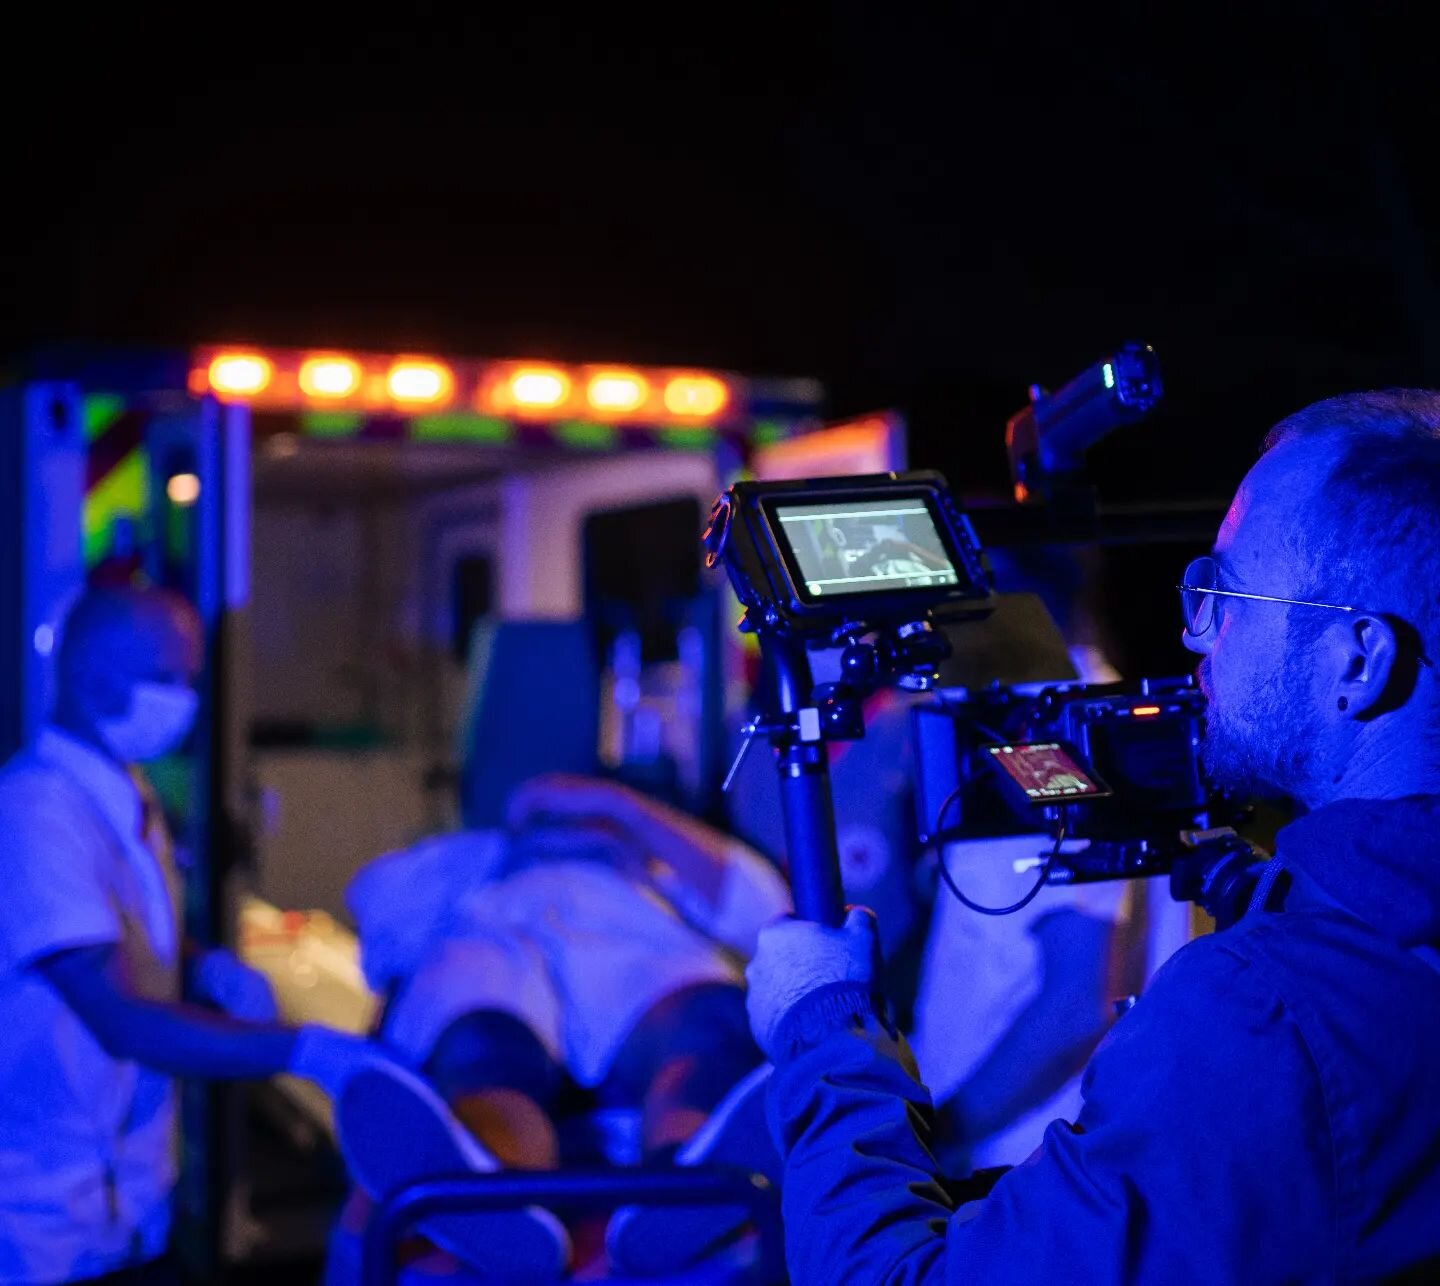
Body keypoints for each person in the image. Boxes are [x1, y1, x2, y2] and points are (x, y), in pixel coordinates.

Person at [742, 390, 1440, 1281]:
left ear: (1356, 661)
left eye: (1224, 595)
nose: (1197, 638)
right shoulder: (1367, 950)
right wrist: (1238, 878)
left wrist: (821, 1027)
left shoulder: (1254, 1016)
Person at [0, 587, 403, 1285]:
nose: (186, 700)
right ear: (93, 682)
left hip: (125, 1206)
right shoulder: (37, 812)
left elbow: (113, 934)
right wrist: (302, 1051)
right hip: (46, 1222)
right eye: (166, 680)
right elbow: (116, 1019)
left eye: (190, 678)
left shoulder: (125, 793)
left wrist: (203, 965)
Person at [333, 772, 790, 1279]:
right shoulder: (471, 864)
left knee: (706, 1028)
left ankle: (684, 1183)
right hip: (504, 952)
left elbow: (765, 906)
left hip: (638, 959)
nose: (570, 816)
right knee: (485, 1047)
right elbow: (383, 931)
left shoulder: (656, 874)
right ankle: (501, 1193)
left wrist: (625, 810)